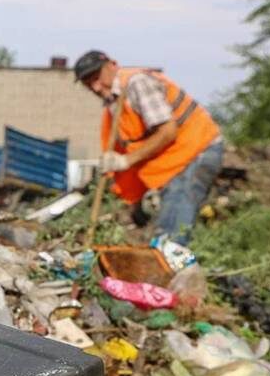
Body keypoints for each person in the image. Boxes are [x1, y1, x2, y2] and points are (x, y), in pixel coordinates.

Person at [74, 50, 223, 242]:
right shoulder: (114, 102)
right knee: (168, 223)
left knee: (172, 230)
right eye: (87, 83)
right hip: (177, 159)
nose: (94, 86)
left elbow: (168, 131)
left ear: (112, 65)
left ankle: (173, 268)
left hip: (196, 150)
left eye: (96, 77)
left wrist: (126, 161)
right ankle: (172, 264)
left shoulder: (137, 84)